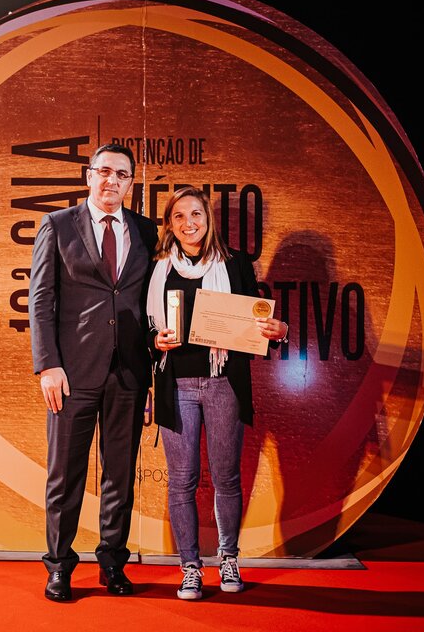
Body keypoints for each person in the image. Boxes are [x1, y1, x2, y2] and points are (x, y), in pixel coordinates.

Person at [29, 143, 158, 602]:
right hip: (72, 373)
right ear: (89, 176)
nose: (111, 181)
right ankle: (59, 567)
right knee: (65, 476)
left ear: (130, 183)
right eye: (104, 171)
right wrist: (48, 364)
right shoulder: (57, 225)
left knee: (119, 476)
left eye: (121, 174)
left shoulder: (145, 230)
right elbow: (41, 299)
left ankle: (113, 564)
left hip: (129, 373)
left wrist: (153, 361)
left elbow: (150, 299)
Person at [146, 185, 288, 600]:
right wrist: (155, 340)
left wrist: (278, 331)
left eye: (196, 214)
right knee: (182, 481)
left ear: (208, 219)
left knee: (226, 477)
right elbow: (143, 327)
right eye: (179, 216)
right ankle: (190, 567)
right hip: (176, 385)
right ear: (169, 225)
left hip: (224, 382)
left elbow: (255, 324)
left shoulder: (236, 263)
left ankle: (228, 558)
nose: (188, 223)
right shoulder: (157, 269)